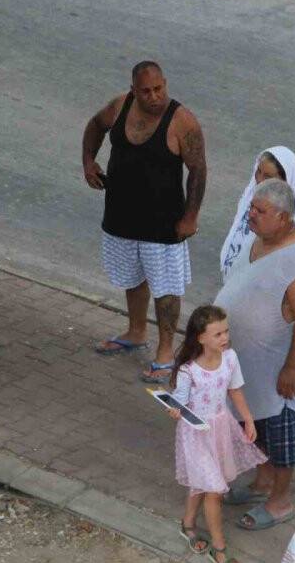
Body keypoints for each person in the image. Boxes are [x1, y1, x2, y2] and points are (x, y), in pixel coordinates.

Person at [82, 61, 207, 383]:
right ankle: (136, 331)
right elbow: (95, 125)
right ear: (134, 90)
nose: (154, 96)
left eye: (159, 88)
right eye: (146, 91)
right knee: (132, 278)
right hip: (122, 215)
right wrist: (88, 162)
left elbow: (198, 170)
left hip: (163, 225)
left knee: (166, 288)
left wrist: (190, 216)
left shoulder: (182, 121)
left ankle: (166, 352)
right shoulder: (120, 105)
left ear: (165, 83)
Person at [213, 178, 295, 531]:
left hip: (274, 369)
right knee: (252, 426)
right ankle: (261, 484)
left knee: (278, 433)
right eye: (251, 208)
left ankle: (280, 501)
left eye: (260, 211)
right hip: (243, 365)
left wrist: (292, 367)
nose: (251, 216)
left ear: (285, 218)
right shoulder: (256, 240)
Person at [167, 305, 266, 563]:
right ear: (200, 338)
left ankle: (188, 523)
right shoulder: (189, 371)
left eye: (226, 331)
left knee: (204, 481)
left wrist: (247, 419)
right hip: (195, 434)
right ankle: (219, 549)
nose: (224, 338)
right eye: (217, 334)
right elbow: (177, 402)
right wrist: (175, 410)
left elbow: (235, 390)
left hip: (220, 429)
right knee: (213, 489)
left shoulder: (230, 358)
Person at [220, 146, 295, 283]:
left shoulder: (290, 210)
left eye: (268, 177)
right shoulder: (253, 195)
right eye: (259, 172)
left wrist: (282, 279)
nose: (259, 180)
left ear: (284, 181)